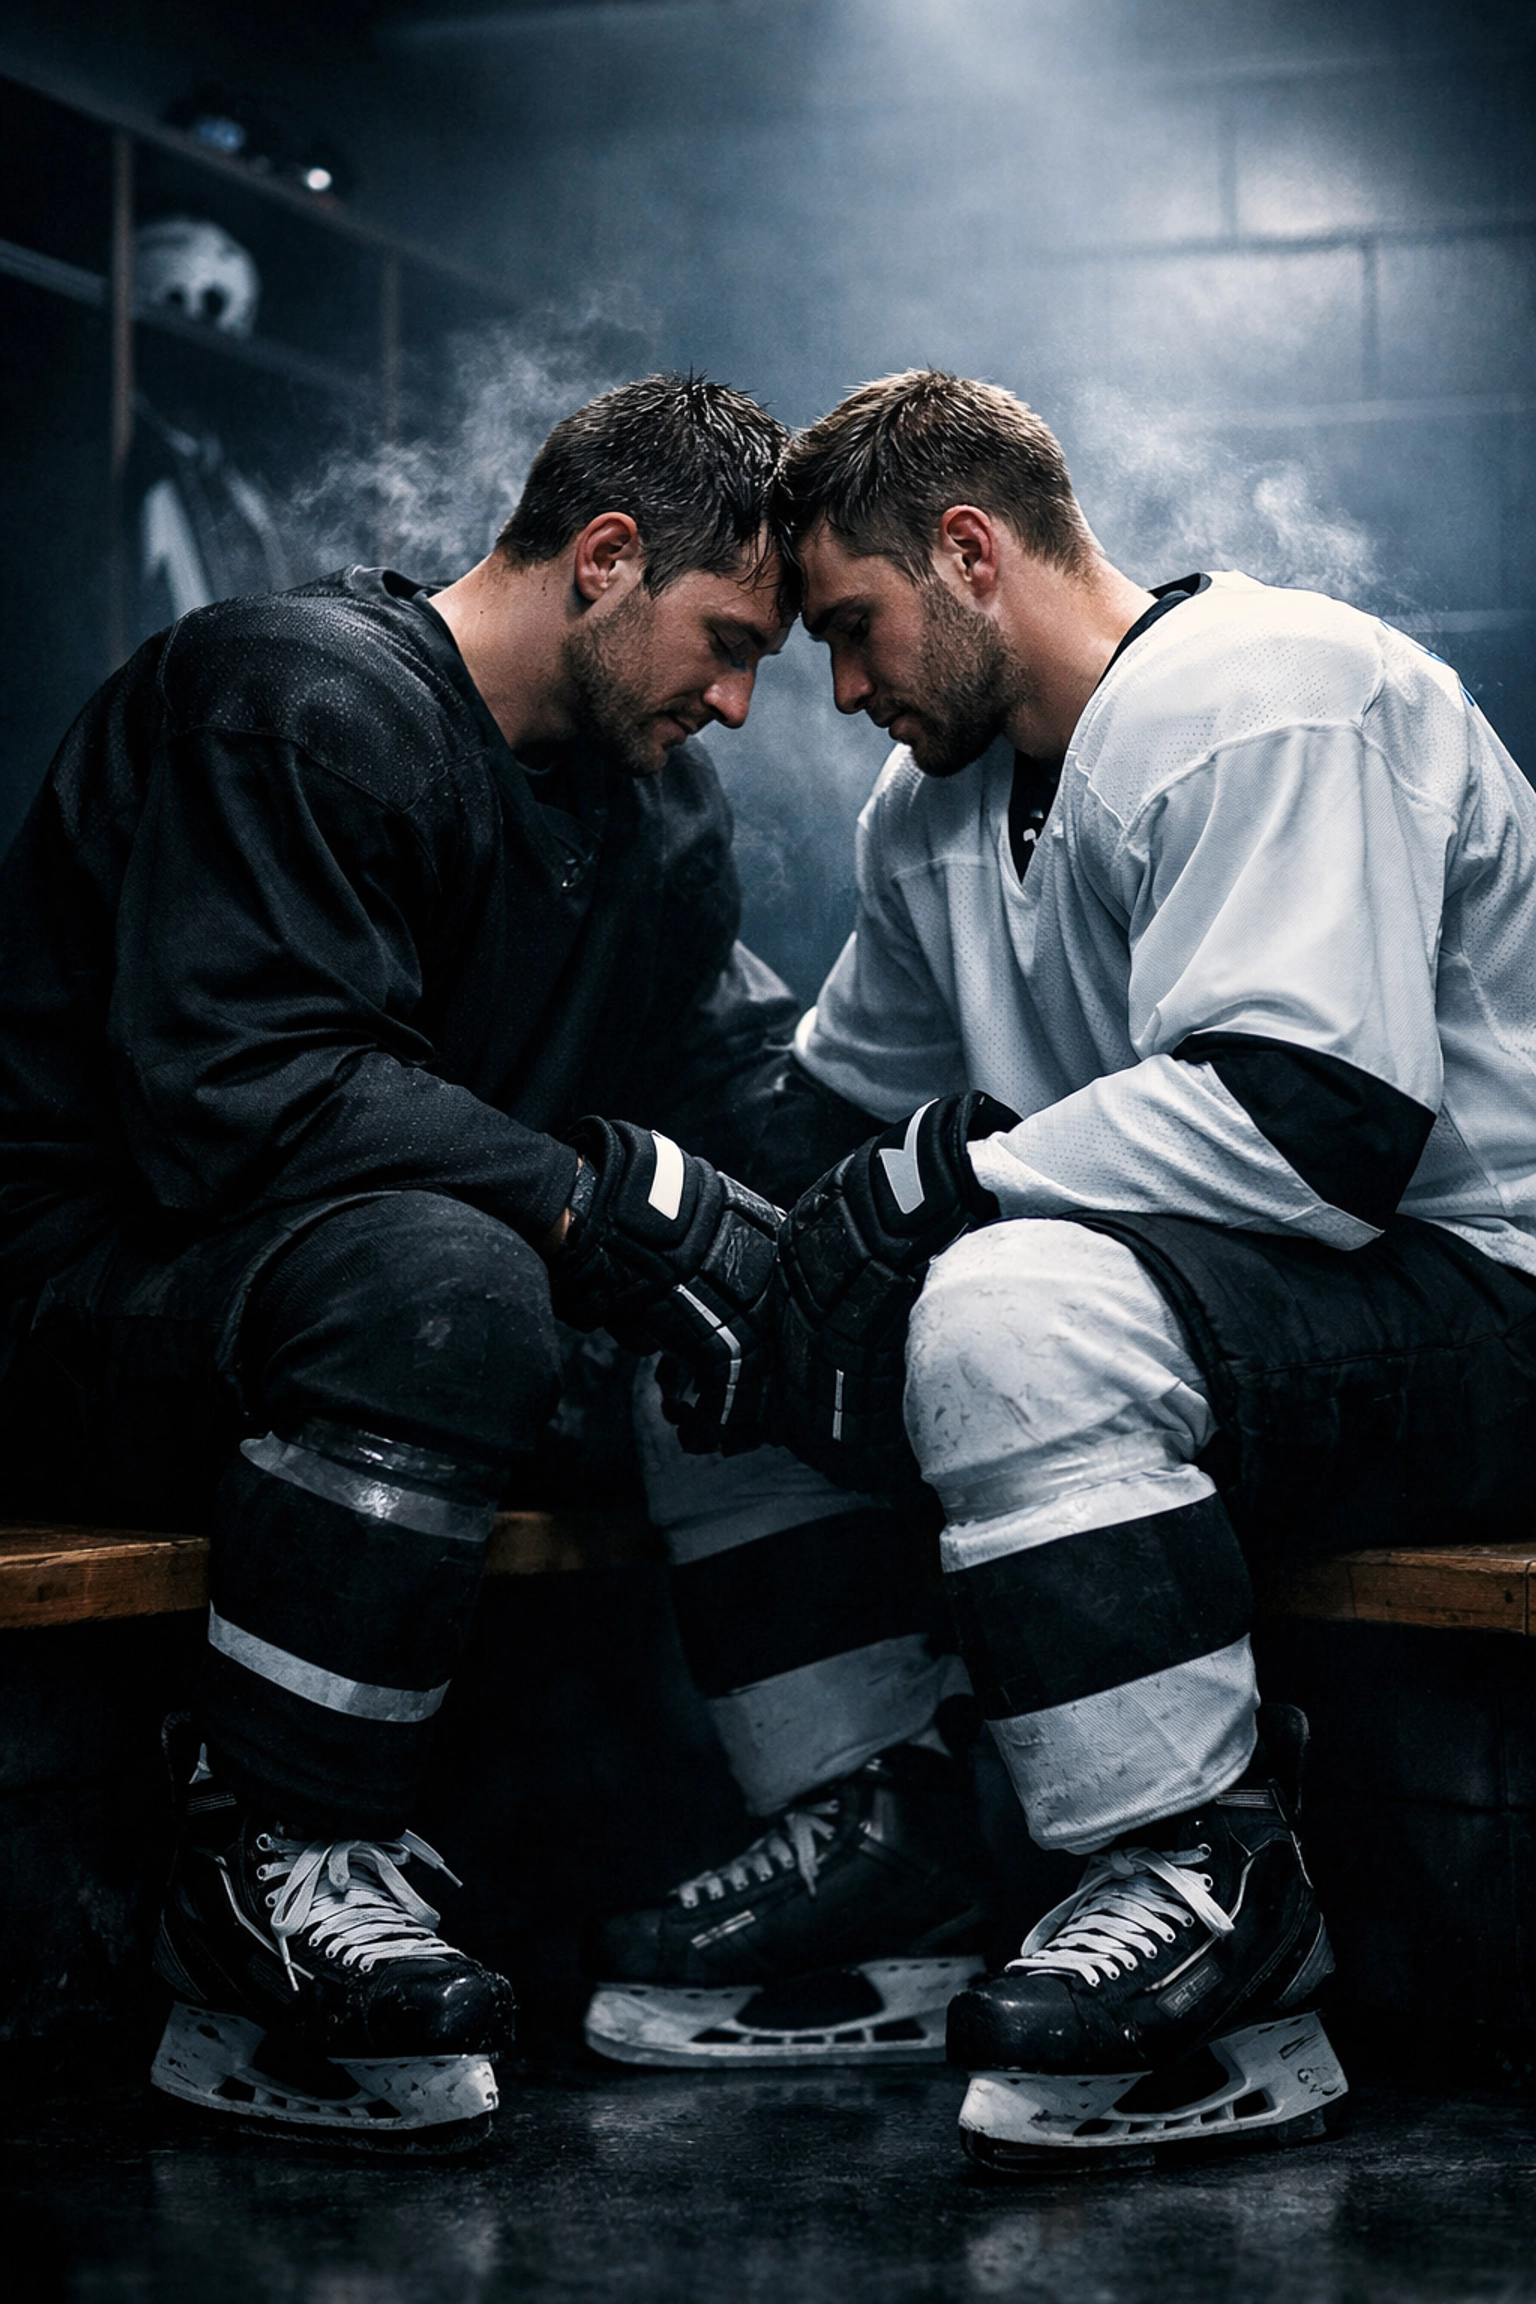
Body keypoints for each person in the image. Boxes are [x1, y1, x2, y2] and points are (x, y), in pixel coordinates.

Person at [590, 368, 1536, 2174]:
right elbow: (826, 1112)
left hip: (1482, 1289)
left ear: (970, 552)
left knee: (1011, 1303)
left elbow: (1321, 1136)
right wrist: (671, 1236)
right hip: (1264, 1318)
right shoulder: (928, 811)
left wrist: (953, 1184)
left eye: (857, 631)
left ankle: (1206, 1879)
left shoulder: (1275, 694)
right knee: (716, 1339)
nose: (845, 690)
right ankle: (897, 1845)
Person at [0, 373, 854, 2148]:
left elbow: (718, 1081)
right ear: (604, 560)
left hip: (363, 1318)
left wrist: (918, 1206)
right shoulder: (296, 700)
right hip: (89, 1298)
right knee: (460, 1282)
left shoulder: (655, 810)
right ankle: (267, 1865)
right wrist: (590, 1202)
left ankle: (870, 1840)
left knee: (778, 1278)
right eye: (725, 641)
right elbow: (240, 1106)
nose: (741, 701)